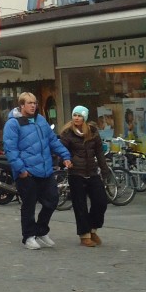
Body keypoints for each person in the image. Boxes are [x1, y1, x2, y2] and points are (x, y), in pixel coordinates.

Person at [2, 91, 72, 250]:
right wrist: (21, 169)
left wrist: (65, 155)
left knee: (52, 200)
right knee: (29, 205)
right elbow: (10, 149)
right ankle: (28, 236)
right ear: (22, 105)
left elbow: (52, 140)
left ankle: (40, 230)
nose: (33, 106)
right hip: (27, 172)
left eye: (34, 103)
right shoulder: (13, 124)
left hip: (45, 169)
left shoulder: (41, 120)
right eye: (29, 103)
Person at [59, 106, 109, 248]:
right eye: (74, 115)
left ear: (85, 117)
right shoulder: (67, 133)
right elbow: (62, 150)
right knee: (80, 205)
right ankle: (84, 235)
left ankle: (93, 229)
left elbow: (99, 153)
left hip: (92, 172)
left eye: (80, 115)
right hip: (76, 173)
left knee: (101, 201)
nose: (76, 118)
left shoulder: (92, 132)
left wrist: (104, 170)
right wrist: (65, 160)